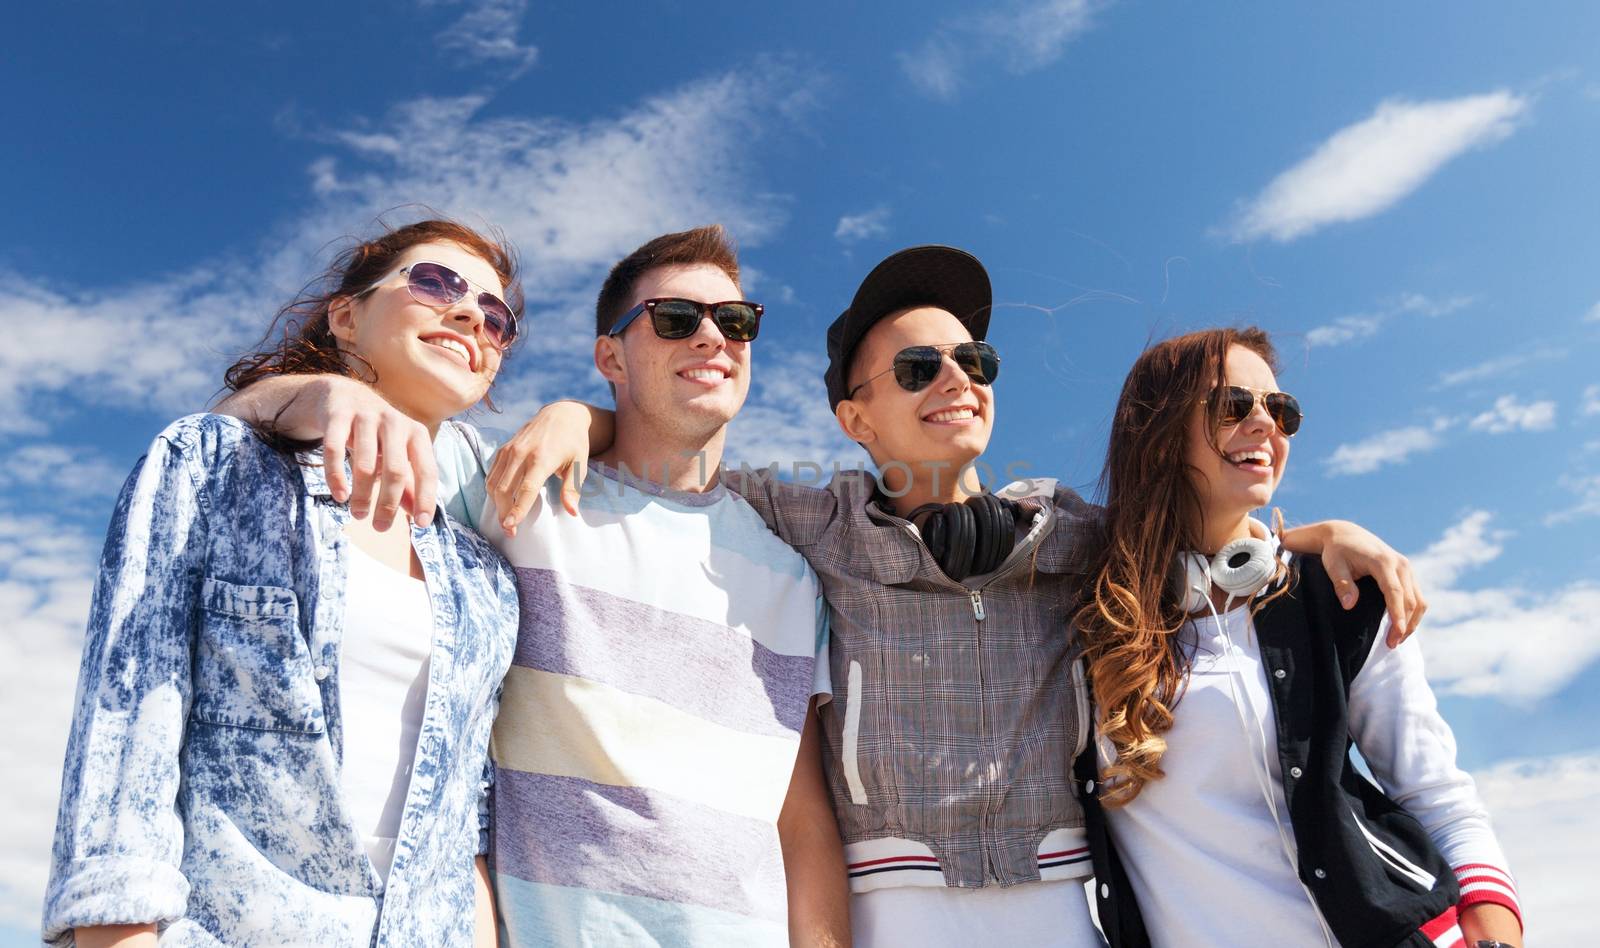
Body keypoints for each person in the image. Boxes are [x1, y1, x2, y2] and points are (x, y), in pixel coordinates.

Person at [491, 246, 1428, 946]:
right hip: (892, 913)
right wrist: (585, 412)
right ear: (853, 419)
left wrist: (1308, 538)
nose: (955, 380)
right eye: (916, 368)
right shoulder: (807, 521)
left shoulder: (1074, 536)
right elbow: (677, 453)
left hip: (1064, 911)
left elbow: (1195, 541)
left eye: (974, 363)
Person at [220, 225, 849, 946]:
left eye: (735, 321)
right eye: (676, 319)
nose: (712, 337)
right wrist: (325, 392)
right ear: (609, 355)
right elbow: (235, 426)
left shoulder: (793, 578)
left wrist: (584, 416)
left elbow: (801, 823)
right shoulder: (513, 489)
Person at [42, 220, 523, 946]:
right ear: (346, 315)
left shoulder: (486, 577)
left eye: (497, 317)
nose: (469, 315)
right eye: (435, 283)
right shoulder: (214, 463)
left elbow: (467, 828)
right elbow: (129, 722)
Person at [1073, 327, 1522, 948]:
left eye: (1280, 410)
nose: (1266, 425)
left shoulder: (1339, 593)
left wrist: (1498, 937)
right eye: (1233, 406)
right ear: (1157, 435)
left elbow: (1436, 793)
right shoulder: (1083, 614)